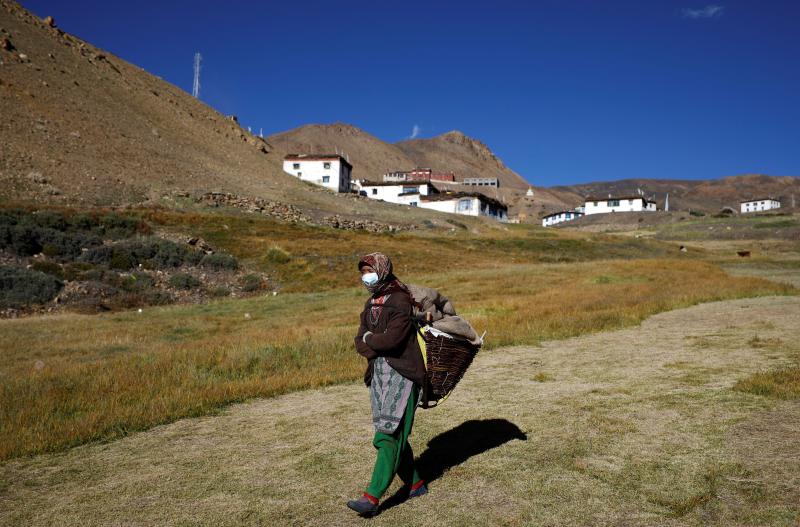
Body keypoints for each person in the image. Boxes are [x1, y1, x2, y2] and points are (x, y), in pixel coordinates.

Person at [347, 252, 428, 517]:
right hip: (379, 376)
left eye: (369, 270)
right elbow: (360, 340)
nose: (365, 276)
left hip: (404, 374)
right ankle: (415, 484)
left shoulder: (401, 300)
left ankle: (371, 498)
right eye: (362, 272)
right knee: (394, 435)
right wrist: (372, 340)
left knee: (386, 436)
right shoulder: (371, 302)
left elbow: (391, 341)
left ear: (382, 270)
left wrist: (371, 340)